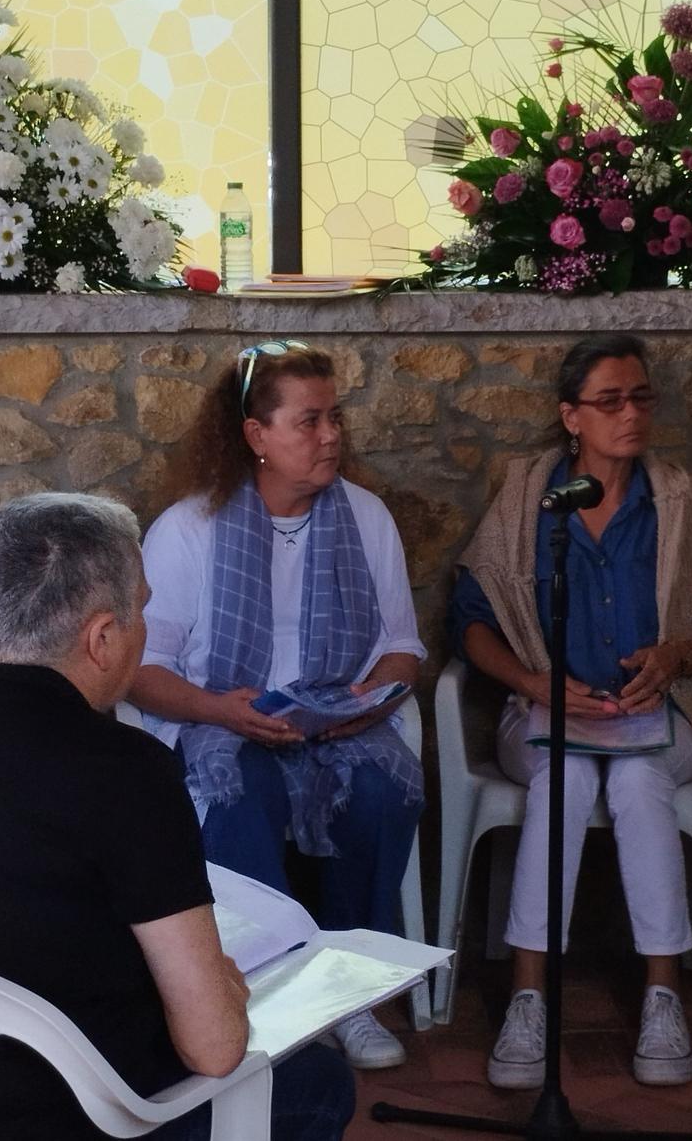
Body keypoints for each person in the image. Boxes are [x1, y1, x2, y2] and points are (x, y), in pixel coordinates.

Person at [0, 493, 357, 1140]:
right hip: (35, 1118)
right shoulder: (125, 769)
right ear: (101, 638)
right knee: (317, 1083)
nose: (144, 631)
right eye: (142, 612)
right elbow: (214, 1047)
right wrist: (226, 992)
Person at [453, 333, 692, 1089]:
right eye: (610, 400)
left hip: (659, 716)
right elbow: (470, 618)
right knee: (565, 779)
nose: (631, 414)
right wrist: (532, 679)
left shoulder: (679, 504)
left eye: (641, 397)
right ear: (571, 417)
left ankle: (661, 998)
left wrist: (676, 657)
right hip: (545, 714)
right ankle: (529, 999)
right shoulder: (529, 502)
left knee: (638, 783)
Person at [127, 341, 426, 1070]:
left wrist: (368, 696)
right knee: (237, 799)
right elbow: (142, 669)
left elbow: (402, 645)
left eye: (334, 418)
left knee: (385, 794)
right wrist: (220, 711)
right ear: (256, 436)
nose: (330, 436)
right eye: (309, 421)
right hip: (223, 717)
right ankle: (272, 990)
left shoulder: (366, 516)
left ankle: (350, 998)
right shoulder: (190, 528)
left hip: (337, 718)